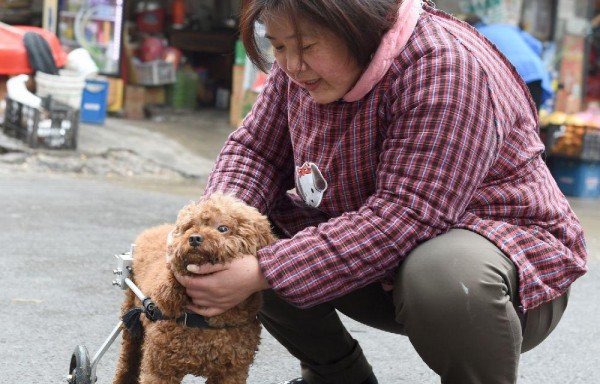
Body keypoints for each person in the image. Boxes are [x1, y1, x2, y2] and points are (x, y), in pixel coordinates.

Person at [174, 1, 588, 383]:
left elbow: (407, 215)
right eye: (278, 46)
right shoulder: (299, 68)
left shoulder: (446, 68)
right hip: (380, 250)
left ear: (357, 26)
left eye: (307, 46)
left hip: (498, 269)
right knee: (244, 234)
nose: (292, 65)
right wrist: (220, 230)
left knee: (443, 273)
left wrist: (263, 271)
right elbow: (256, 151)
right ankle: (337, 377)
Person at [465, 14, 554, 111]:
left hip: (511, 78)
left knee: (509, 121)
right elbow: (538, 46)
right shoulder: (507, 28)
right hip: (536, 73)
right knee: (532, 120)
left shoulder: (474, 35)